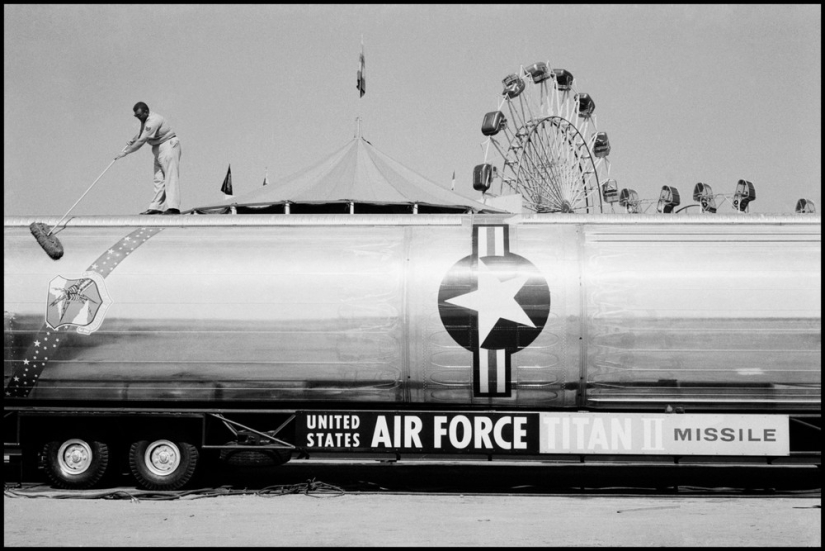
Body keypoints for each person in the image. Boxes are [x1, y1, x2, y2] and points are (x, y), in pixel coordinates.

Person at [115, 102, 182, 214]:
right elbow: (141, 134)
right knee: (158, 178)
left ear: (146, 112)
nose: (138, 118)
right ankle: (156, 207)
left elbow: (142, 140)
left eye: (140, 115)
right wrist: (133, 139)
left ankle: (173, 208)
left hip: (168, 146)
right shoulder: (145, 121)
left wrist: (126, 152)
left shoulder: (154, 120)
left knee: (170, 176)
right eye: (136, 116)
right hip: (158, 149)